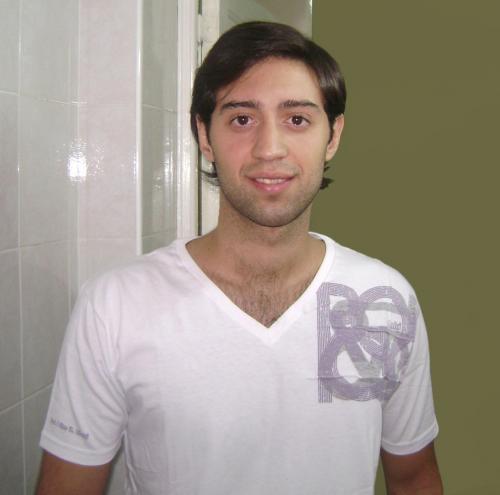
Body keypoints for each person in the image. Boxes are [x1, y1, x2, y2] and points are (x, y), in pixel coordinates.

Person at [36, 21, 442, 495]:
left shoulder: (384, 299)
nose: (269, 149)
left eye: (297, 119)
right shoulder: (115, 305)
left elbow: (414, 477)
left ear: (332, 136)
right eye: (242, 119)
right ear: (204, 136)